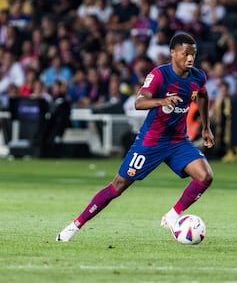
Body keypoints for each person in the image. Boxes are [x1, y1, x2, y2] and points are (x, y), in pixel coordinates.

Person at [56, 32, 215, 242]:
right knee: (118, 186)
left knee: (205, 176)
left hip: (178, 142)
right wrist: (162, 102)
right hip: (150, 142)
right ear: (173, 53)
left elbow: (202, 95)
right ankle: (74, 226)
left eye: (193, 54)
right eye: (186, 54)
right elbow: (139, 103)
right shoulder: (159, 75)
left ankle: (172, 216)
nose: (190, 59)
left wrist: (206, 127)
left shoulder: (197, 76)